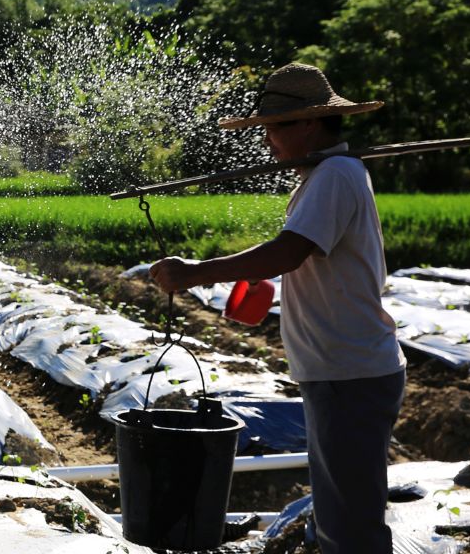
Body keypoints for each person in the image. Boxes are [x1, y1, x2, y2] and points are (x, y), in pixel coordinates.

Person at [149, 62, 406, 554]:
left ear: (308, 123)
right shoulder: (325, 175)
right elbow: (303, 257)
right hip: (336, 372)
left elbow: (289, 251)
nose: (267, 141)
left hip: (350, 373)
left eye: (272, 129)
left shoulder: (334, 174)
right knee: (338, 515)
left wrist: (193, 273)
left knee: (351, 530)